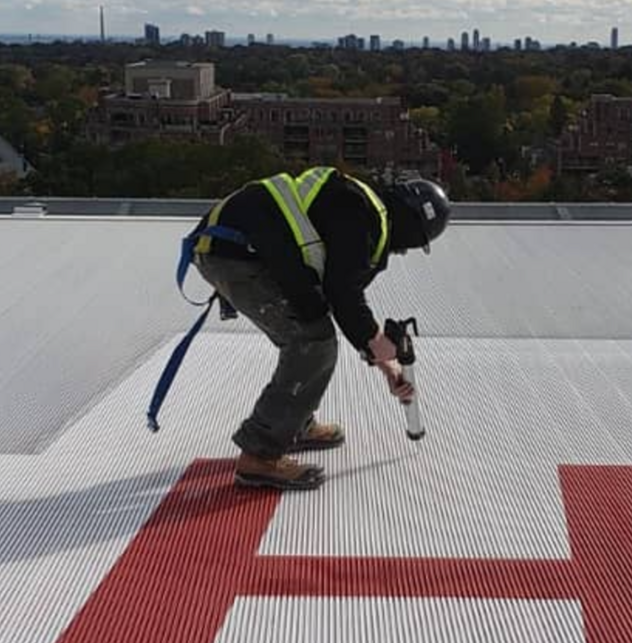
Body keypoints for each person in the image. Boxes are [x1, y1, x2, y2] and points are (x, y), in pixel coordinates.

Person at [189, 167, 450, 490]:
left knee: (312, 330)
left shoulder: (360, 207)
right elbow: (344, 297)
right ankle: (260, 455)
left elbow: (334, 297)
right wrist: (378, 343)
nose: (404, 250)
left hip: (234, 246)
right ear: (413, 230)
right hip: (237, 254)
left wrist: (384, 363)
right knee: (313, 342)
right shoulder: (362, 218)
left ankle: (293, 424)